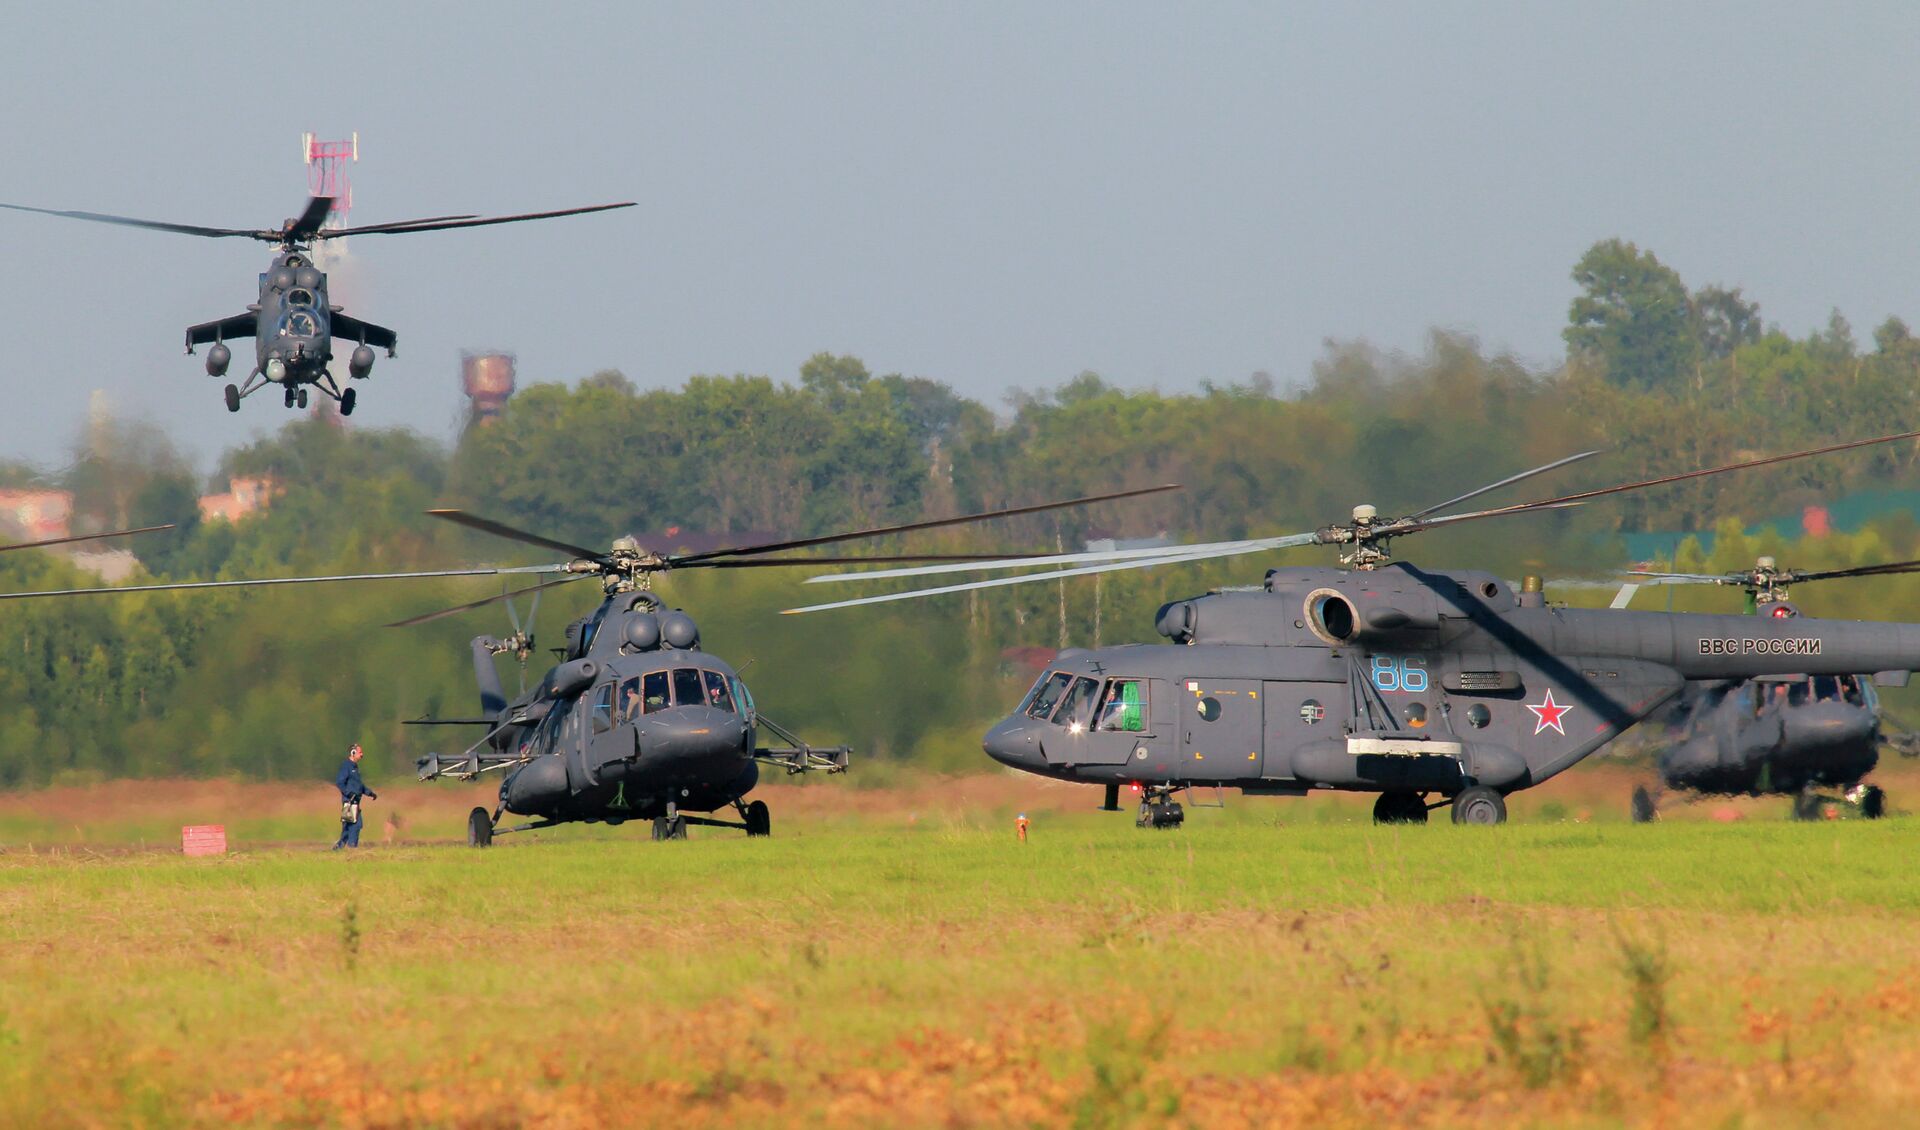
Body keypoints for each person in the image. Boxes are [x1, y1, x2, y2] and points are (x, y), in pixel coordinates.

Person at [333, 742, 378, 850]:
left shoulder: (355, 767)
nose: (362, 754)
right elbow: (340, 782)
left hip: (356, 802)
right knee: (354, 825)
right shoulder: (346, 766)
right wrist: (349, 794)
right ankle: (352, 849)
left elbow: (358, 785)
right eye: (360, 752)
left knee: (348, 827)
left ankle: (338, 849)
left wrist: (369, 793)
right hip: (349, 801)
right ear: (353, 753)